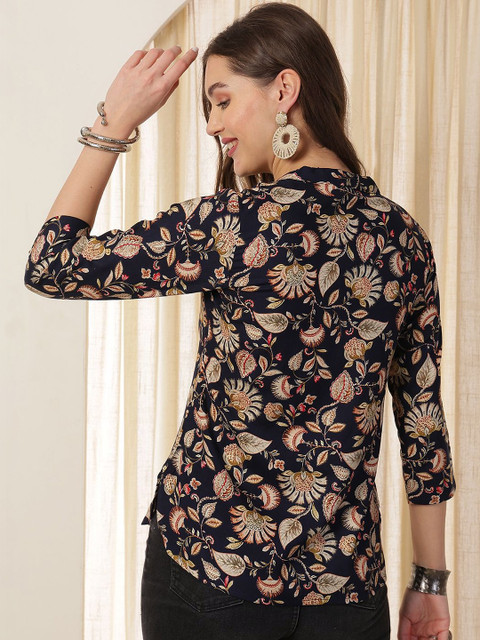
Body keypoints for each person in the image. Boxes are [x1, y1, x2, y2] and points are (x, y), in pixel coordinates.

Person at [24, 3, 455, 639]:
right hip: (346, 594)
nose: (212, 125)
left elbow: (52, 264)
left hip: (210, 576)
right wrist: (430, 583)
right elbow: (423, 424)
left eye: (222, 101)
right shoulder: (403, 238)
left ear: (284, 90)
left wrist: (114, 121)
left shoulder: (233, 226)